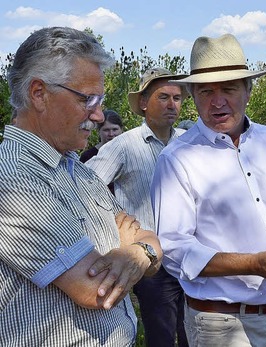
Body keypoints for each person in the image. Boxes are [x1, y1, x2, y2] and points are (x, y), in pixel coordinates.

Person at [150, 33, 266, 347]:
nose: (218, 101)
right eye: (206, 91)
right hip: (219, 325)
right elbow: (174, 249)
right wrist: (253, 263)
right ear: (192, 94)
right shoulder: (178, 159)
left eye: (228, 88)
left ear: (248, 90)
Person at [0, 26, 162, 346]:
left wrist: (139, 249)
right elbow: (96, 289)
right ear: (38, 93)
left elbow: (148, 241)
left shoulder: (78, 169)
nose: (99, 115)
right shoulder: (14, 178)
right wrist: (140, 251)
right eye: (88, 99)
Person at [85, 67, 189, 347]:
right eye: (163, 96)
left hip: (190, 255)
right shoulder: (123, 146)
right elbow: (83, 188)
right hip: (151, 262)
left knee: (192, 329)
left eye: (178, 98)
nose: (172, 105)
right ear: (143, 103)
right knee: (162, 334)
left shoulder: (188, 143)